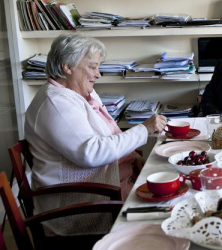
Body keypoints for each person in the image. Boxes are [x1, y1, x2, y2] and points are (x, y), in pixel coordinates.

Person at [24, 34, 167, 235]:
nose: (98, 74)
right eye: (92, 67)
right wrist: (144, 129)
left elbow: (108, 134)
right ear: (67, 67)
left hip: (108, 190)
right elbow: (91, 152)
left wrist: (132, 157)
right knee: (166, 216)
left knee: (172, 191)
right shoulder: (56, 103)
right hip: (79, 207)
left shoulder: (79, 95)